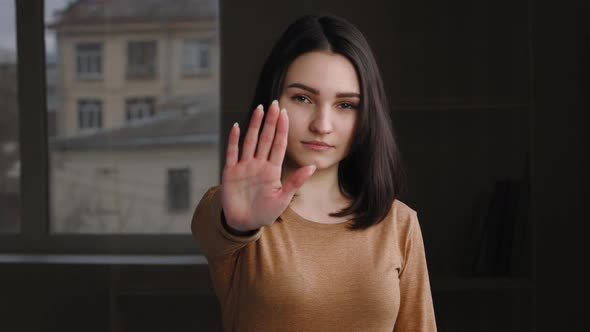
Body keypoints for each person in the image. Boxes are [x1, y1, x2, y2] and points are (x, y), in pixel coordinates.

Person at [191, 14, 437, 331]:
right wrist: (237, 225)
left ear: (367, 116)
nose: (322, 125)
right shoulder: (237, 210)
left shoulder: (399, 223)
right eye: (302, 98)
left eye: (346, 105)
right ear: (273, 99)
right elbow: (214, 231)